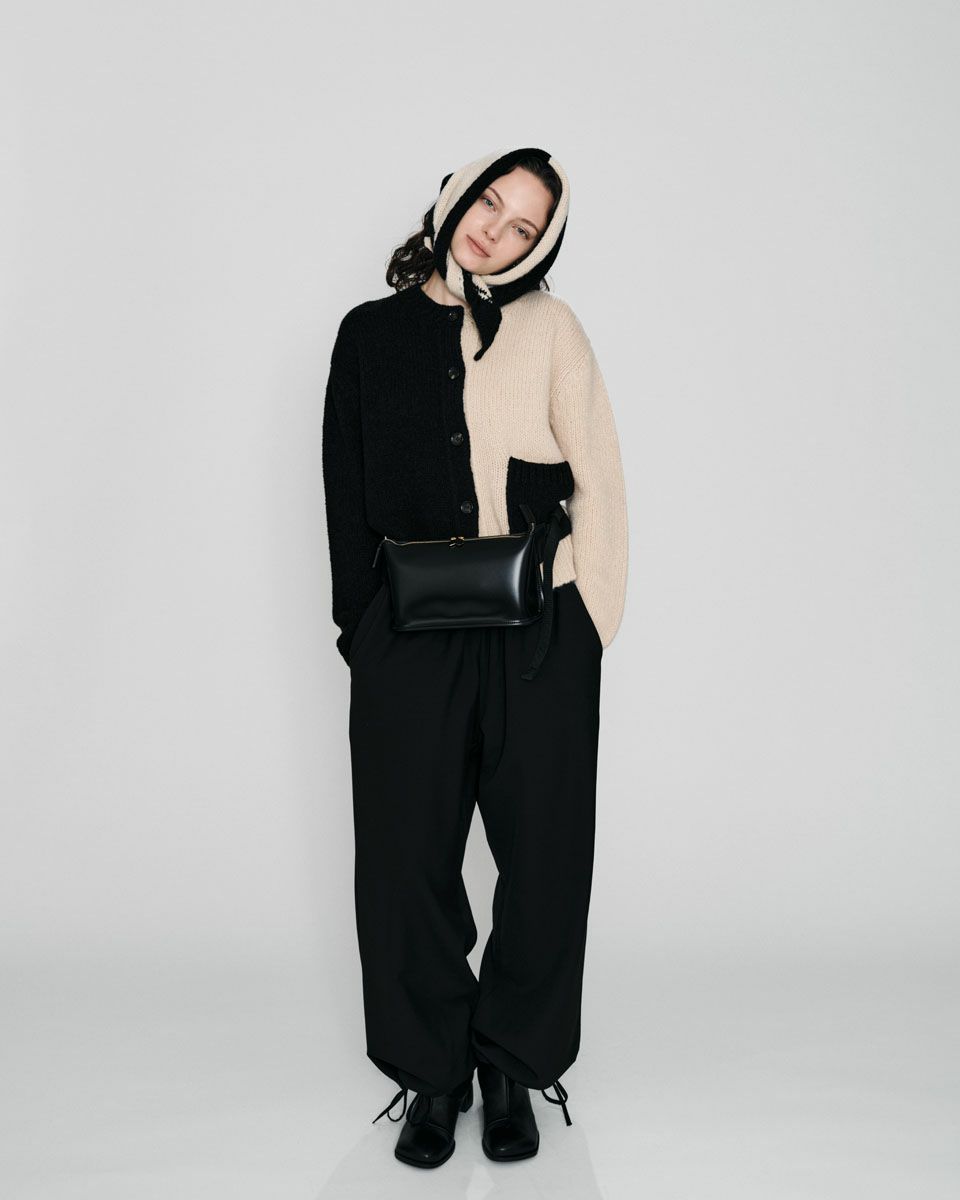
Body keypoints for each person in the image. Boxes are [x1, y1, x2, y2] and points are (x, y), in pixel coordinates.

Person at [321, 146, 628, 1168]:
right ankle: (432, 1073)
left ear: (542, 245)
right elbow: (344, 489)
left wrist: (589, 621)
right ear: (456, 196)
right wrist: (361, 630)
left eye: (524, 223)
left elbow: (600, 476)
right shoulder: (369, 335)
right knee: (404, 863)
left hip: (541, 630)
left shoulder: (552, 329)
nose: (496, 228)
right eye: (490, 201)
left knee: (545, 860)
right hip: (409, 634)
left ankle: (511, 1066)